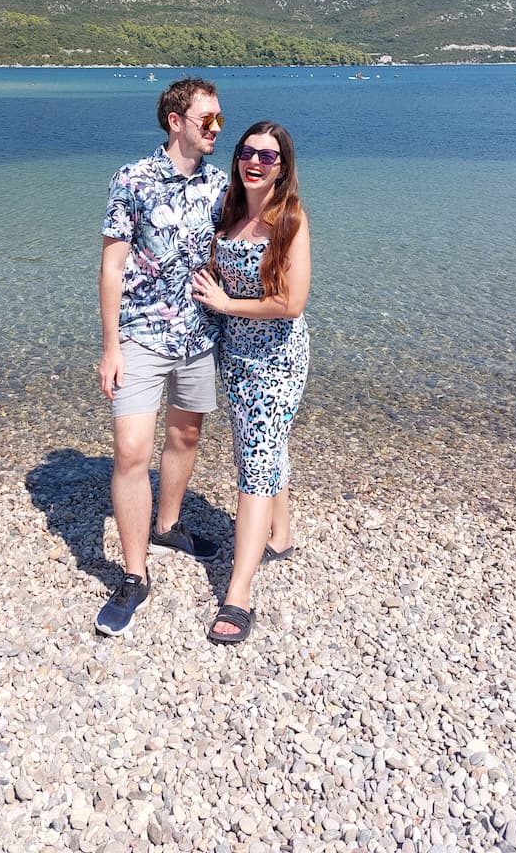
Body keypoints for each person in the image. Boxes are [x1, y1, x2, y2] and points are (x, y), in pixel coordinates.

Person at [95, 77, 228, 636]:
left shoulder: (222, 184)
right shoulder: (132, 180)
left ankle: (168, 525)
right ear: (176, 121)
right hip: (141, 335)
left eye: (220, 118)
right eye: (208, 119)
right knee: (130, 450)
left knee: (186, 436)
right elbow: (111, 265)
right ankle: (133, 574)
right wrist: (109, 346)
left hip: (200, 333)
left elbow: (247, 243)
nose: (217, 128)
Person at [191, 121, 310, 644]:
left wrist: (226, 304)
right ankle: (279, 536)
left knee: (255, 463)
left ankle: (238, 593)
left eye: (269, 155)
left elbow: (292, 303)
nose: (256, 161)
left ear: (283, 166)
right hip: (235, 357)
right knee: (258, 450)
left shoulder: (290, 221)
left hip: (279, 359)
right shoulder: (230, 214)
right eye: (247, 152)